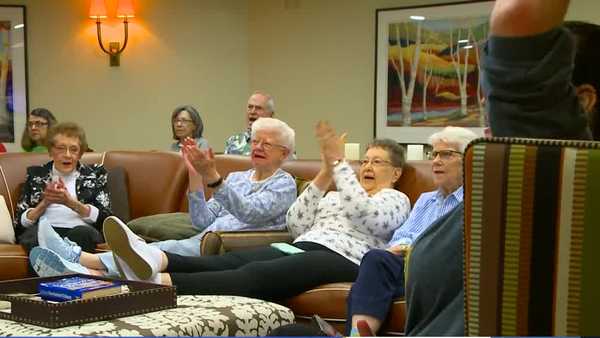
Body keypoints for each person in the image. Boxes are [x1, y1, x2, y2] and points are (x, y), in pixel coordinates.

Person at [32, 121, 411, 304]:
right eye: (365, 160)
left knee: (254, 275)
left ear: (395, 172)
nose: (367, 167)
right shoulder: (336, 192)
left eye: (377, 162)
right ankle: (118, 265)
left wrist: (338, 167)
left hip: (344, 257)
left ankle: (138, 285)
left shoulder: (394, 200)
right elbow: (298, 223)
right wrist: (325, 176)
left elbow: (368, 219)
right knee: (223, 265)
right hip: (306, 244)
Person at [403, 0, 595, 336]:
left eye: (494, 98)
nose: (486, 113)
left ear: (580, 103)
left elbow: (519, 12)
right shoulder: (503, 190)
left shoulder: (550, 180)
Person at [30, 117, 298, 277]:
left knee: (164, 248)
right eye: (255, 141)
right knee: (162, 247)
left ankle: (81, 259)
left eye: (267, 143)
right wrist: (194, 176)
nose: (258, 147)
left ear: (284, 153)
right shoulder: (238, 178)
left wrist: (213, 177)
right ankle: (89, 271)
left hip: (237, 248)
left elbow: (250, 213)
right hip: (205, 240)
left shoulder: (284, 184)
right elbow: (202, 220)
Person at [345, 126, 477, 336]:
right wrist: (405, 248)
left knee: (376, 264)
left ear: (470, 160)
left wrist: (414, 248)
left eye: (446, 154)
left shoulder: (473, 202)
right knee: (374, 264)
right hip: (408, 265)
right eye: (434, 154)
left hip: (442, 269)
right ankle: (358, 334)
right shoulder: (426, 200)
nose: (436, 161)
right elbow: (401, 236)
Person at [14, 122, 112, 253]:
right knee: (37, 235)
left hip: (80, 230)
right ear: (50, 151)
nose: (67, 155)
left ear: (80, 153)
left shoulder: (95, 174)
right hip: (44, 229)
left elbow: (106, 220)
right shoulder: (36, 175)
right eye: (61, 148)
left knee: (82, 234)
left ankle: (64, 269)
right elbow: (19, 224)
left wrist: (71, 203)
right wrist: (45, 203)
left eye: (73, 149)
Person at [224, 91, 275, 155]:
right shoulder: (233, 141)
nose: (252, 112)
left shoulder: (278, 143)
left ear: (270, 115)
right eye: (250, 107)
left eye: (258, 108)